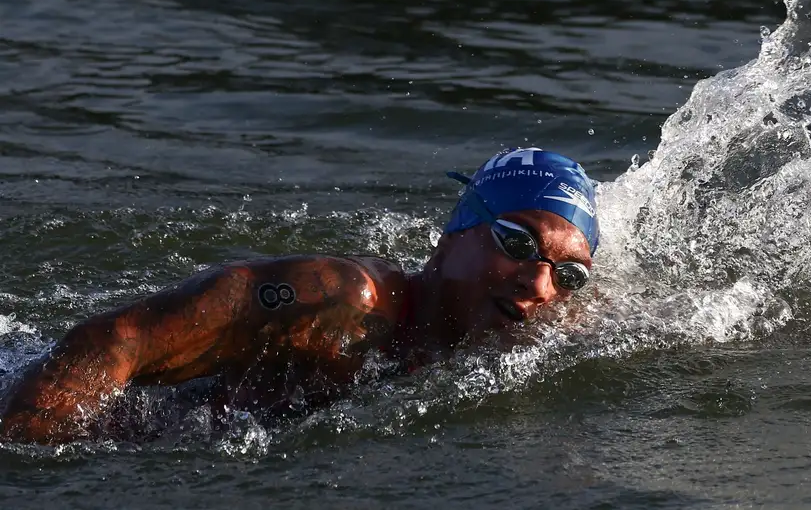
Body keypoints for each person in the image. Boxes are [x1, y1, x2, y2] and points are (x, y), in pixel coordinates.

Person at [0, 148, 600, 445]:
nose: (538, 283)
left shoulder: (537, 336)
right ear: (452, 237)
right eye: (517, 242)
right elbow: (117, 341)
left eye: (567, 274)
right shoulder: (342, 301)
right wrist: (24, 458)